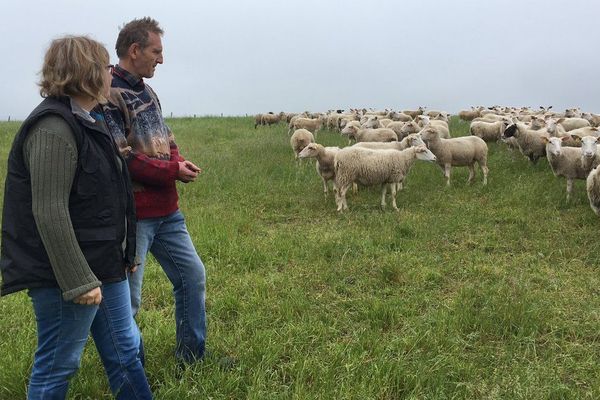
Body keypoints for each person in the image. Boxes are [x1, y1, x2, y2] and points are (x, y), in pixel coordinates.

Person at [0, 36, 153, 399]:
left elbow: (105, 197)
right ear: (85, 73)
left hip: (102, 262)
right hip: (63, 274)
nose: (109, 75)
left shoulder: (89, 119)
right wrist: (78, 281)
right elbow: (49, 210)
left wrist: (124, 253)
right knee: (58, 364)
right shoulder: (53, 128)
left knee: (125, 353)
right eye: (103, 67)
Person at [104, 17, 207, 364]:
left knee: (192, 278)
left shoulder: (147, 91)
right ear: (135, 51)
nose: (161, 59)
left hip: (168, 213)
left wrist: (178, 161)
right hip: (135, 217)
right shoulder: (109, 95)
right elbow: (125, 159)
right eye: (156, 51)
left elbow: (167, 137)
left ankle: (191, 357)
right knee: (128, 302)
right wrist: (171, 171)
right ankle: (134, 373)